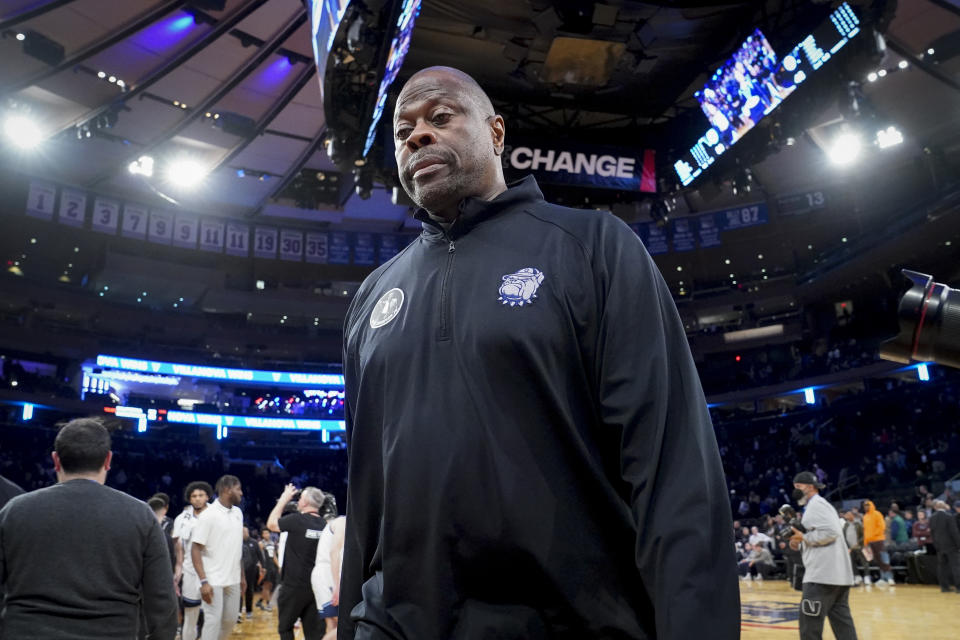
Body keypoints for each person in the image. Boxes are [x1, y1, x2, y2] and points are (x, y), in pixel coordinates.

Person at [340, 66, 738, 639]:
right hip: (396, 626)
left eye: (440, 117)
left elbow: (671, 464)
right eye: (404, 130)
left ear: (497, 133)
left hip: (567, 622)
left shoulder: (594, 247)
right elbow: (365, 489)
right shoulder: (371, 299)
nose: (417, 136)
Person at [0, 417, 177, 638]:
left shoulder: (15, 510)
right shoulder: (141, 515)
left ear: (55, 460)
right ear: (108, 460)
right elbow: (162, 601)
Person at [789, 471, 857, 640]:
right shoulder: (820, 506)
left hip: (821, 577)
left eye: (798, 487)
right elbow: (821, 533)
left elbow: (831, 532)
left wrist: (804, 537)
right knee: (843, 626)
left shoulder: (817, 505)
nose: (795, 491)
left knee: (809, 628)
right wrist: (799, 540)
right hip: (837, 577)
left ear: (810, 487)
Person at [267, 484, 327, 640]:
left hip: (293, 585)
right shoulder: (325, 525)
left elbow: (271, 524)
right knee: (314, 634)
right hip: (316, 587)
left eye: (300, 498)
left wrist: (284, 499)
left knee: (285, 628)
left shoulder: (296, 520)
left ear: (305, 502)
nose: (298, 501)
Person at [191, 474, 245, 640]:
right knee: (213, 621)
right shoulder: (208, 515)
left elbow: (237, 547)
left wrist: (242, 576)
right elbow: (195, 549)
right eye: (238, 489)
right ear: (227, 490)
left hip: (234, 578)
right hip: (213, 579)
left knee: (229, 621)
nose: (241, 493)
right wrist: (203, 581)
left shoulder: (238, 513)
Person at [173, 480, 213, 640]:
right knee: (190, 614)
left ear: (208, 496)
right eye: (193, 496)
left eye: (201, 495)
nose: (197, 498)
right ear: (189, 499)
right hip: (190, 572)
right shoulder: (181, 519)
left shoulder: (217, 516)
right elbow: (179, 547)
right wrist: (178, 570)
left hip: (213, 572)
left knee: (212, 616)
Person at [312, 507, 346, 640]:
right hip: (328, 576)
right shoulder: (342, 521)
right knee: (345, 624)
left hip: (324, 575)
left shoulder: (335, 524)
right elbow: (334, 552)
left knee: (332, 625)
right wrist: (337, 585)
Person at [930, 500, 960, 593]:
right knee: (956, 566)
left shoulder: (932, 518)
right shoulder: (949, 517)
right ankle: (959, 588)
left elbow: (932, 533)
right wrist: (958, 544)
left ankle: (944, 587)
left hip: (939, 546)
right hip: (951, 546)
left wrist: (936, 545)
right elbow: (954, 532)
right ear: (944, 507)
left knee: (942, 567)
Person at [861, 499, 894, 584]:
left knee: (884, 558)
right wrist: (865, 542)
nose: (866, 507)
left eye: (868, 505)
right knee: (877, 560)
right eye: (865, 506)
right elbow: (865, 531)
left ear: (871, 505)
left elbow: (882, 526)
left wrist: (873, 535)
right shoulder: (865, 517)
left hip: (878, 540)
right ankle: (883, 578)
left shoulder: (877, 514)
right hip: (870, 542)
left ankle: (890, 578)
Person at [241, 527, 263, 621]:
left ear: (247, 532)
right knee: (240, 590)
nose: (243, 533)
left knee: (249, 590)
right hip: (240, 570)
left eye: (244, 531)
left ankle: (249, 611)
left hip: (251, 570)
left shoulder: (254, 542)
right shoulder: (238, 542)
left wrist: (263, 567)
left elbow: (260, 556)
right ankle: (238, 611)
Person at [842, 511, 869, 586]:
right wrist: (847, 547)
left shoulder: (858, 524)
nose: (847, 516)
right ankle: (857, 577)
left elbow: (863, 535)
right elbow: (844, 536)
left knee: (864, 562)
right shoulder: (845, 525)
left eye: (848, 514)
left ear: (852, 516)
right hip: (850, 548)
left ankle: (867, 577)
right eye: (846, 515)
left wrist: (859, 543)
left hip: (859, 546)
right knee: (851, 563)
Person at [257, 528, 279, 610]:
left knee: (269, 585)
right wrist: (261, 567)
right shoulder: (261, 544)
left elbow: (274, 556)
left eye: (268, 533)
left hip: (272, 566)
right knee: (266, 585)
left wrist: (278, 566)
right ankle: (268, 604)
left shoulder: (272, 543)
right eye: (265, 533)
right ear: (262, 535)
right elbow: (259, 557)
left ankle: (260, 601)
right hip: (265, 565)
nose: (266, 535)